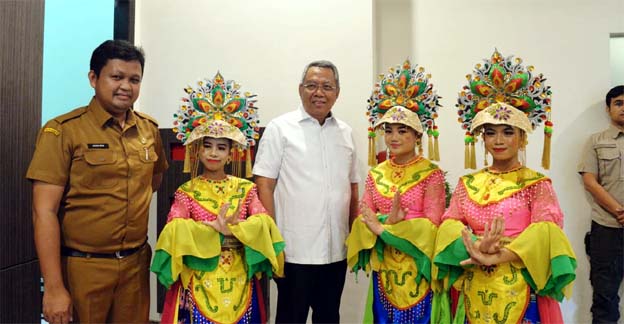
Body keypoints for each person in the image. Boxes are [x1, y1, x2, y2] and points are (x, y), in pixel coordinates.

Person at [26, 39, 168, 323]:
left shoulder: (148, 130)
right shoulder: (63, 131)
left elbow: (152, 182)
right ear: (94, 78)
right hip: (83, 269)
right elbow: (43, 211)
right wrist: (53, 288)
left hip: (135, 267)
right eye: (116, 77)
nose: (126, 86)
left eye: (134, 79)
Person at [433, 50, 576, 323]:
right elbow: (450, 225)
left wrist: (498, 255)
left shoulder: (536, 184)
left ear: (522, 137)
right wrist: (476, 245)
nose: (498, 140)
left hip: (519, 286)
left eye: (508, 131)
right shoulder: (468, 183)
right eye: (490, 132)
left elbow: (546, 234)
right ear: (481, 139)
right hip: (473, 284)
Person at [150, 72, 284, 324]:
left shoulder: (246, 189)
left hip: (239, 276)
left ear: (231, 154)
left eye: (221, 147)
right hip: (200, 276)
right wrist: (209, 230)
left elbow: (264, 222)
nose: (213, 153)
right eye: (207, 145)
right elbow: (173, 229)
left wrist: (236, 230)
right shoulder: (186, 192)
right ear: (197, 150)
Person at [253, 60, 360, 323]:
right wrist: (272, 239)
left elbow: (353, 187)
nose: (319, 92)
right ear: (300, 89)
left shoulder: (346, 133)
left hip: (336, 250)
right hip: (294, 251)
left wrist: (355, 237)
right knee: (291, 317)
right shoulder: (280, 128)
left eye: (327, 86)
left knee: (328, 316)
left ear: (337, 92)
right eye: (312, 85)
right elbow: (264, 183)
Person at [345, 60, 446, 323]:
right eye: (388, 130)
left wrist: (383, 229)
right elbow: (362, 218)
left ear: (417, 135)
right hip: (386, 267)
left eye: (402, 131)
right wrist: (386, 223)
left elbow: (433, 227)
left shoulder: (430, 175)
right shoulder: (376, 173)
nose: (393, 137)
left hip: (418, 268)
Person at [578, 85, 624, 323]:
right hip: (607, 228)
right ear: (608, 109)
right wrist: (619, 211)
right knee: (605, 296)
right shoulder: (596, 141)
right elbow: (590, 181)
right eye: (618, 103)